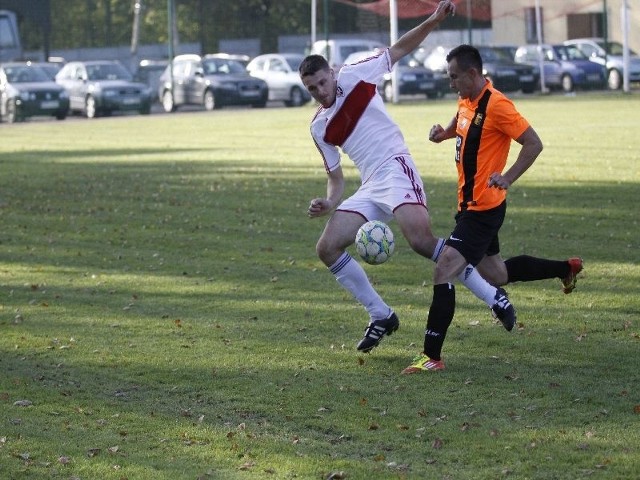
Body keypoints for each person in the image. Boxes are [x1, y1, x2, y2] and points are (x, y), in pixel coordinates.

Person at [298, 1, 518, 354]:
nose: (321, 92)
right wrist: (329, 202)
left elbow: (400, 48)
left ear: (332, 72)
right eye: (312, 89)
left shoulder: (356, 73)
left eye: (323, 82)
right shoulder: (318, 126)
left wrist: (433, 19)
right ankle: (380, 314)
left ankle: (495, 297)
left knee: (420, 240)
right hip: (370, 185)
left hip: (396, 167)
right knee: (326, 247)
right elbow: (336, 180)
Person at [402, 44, 583, 374]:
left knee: (445, 267)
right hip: (469, 204)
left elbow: (534, 143)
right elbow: (461, 121)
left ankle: (432, 356)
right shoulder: (467, 98)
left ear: (473, 73)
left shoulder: (498, 105)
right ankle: (565, 268)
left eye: (455, 77)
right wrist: (443, 134)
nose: (451, 84)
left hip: (483, 208)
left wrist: (508, 177)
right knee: (496, 274)